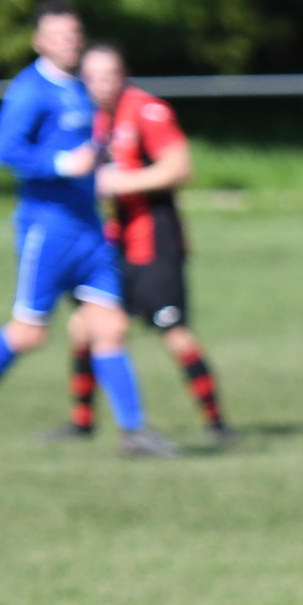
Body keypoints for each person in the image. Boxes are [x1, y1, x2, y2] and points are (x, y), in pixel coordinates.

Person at [0, 2, 171, 457]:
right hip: (49, 230)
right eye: (58, 35)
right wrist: (61, 164)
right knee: (28, 333)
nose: (69, 42)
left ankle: (134, 433)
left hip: (90, 232)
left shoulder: (81, 88)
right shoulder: (29, 91)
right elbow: (7, 149)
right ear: (39, 41)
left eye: (74, 34)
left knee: (110, 327)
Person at [51, 41, 230, 444]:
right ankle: (81, 423)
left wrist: (124, 182)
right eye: (92, 77)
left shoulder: (148, 111)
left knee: (173, 330)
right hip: (109, 247)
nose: (101, 85)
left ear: (124, 74)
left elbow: (180, 166)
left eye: (110, 75)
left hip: (153, 242)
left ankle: (218, 424)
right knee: (84, 326)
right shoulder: (90, 119)